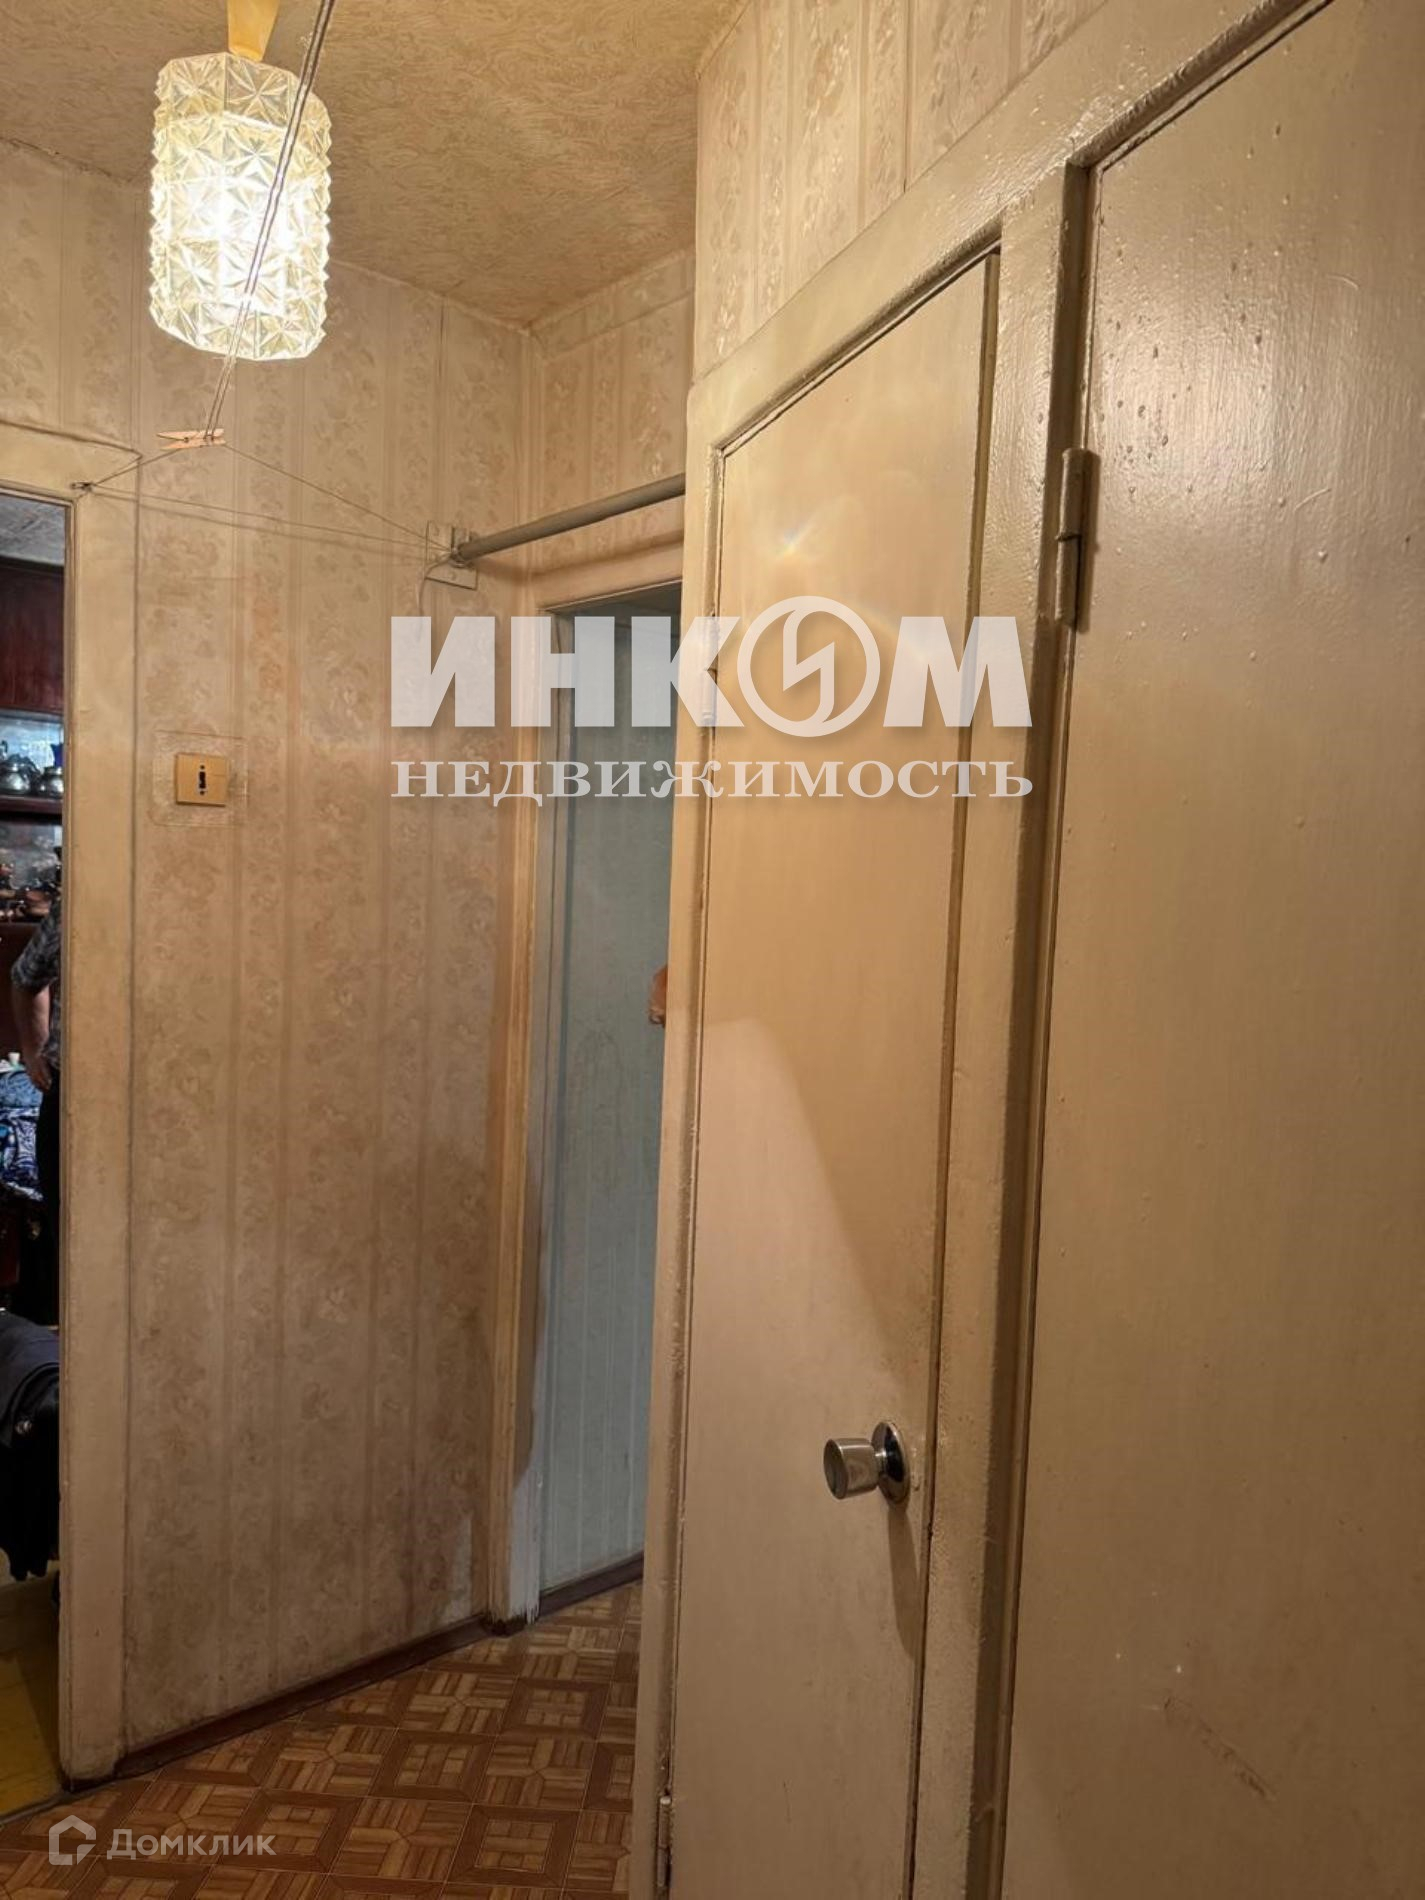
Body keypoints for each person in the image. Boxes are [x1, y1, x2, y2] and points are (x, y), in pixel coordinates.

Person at [11, 895, 60, 1326]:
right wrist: (33, 1052)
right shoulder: (75, 905)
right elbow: (27, 977)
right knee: (68, 1227)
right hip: (72, 1092)